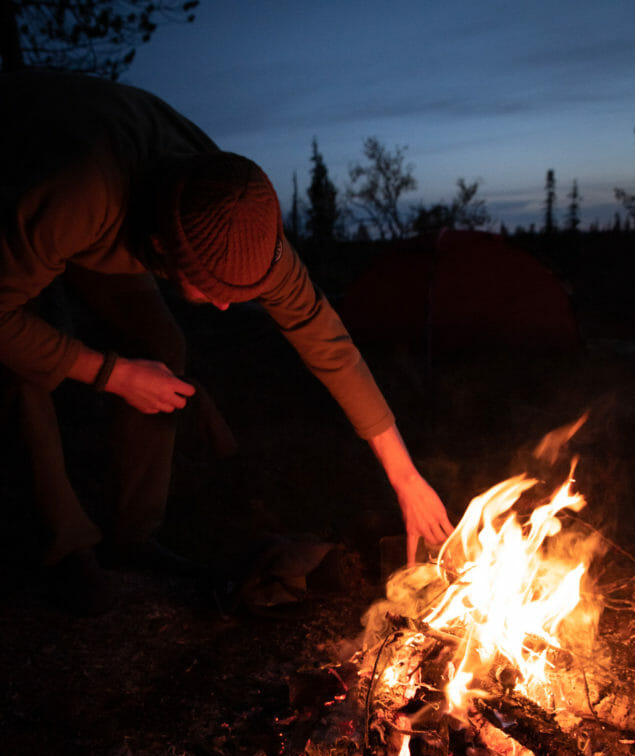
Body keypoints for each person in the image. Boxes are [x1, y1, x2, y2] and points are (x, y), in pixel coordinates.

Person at [0, 69, 453, 613]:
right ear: (159, 249)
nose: (224, 305)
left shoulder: (239, 214)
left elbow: (325, 338)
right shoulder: (80, 191)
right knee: (21, 366)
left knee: (162, 345)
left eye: (240, 294)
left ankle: (133, 538)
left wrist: (404, 475)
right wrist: (112, 373)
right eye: (212, 292)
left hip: (107, 200)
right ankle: (66, 549)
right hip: (20, 176)